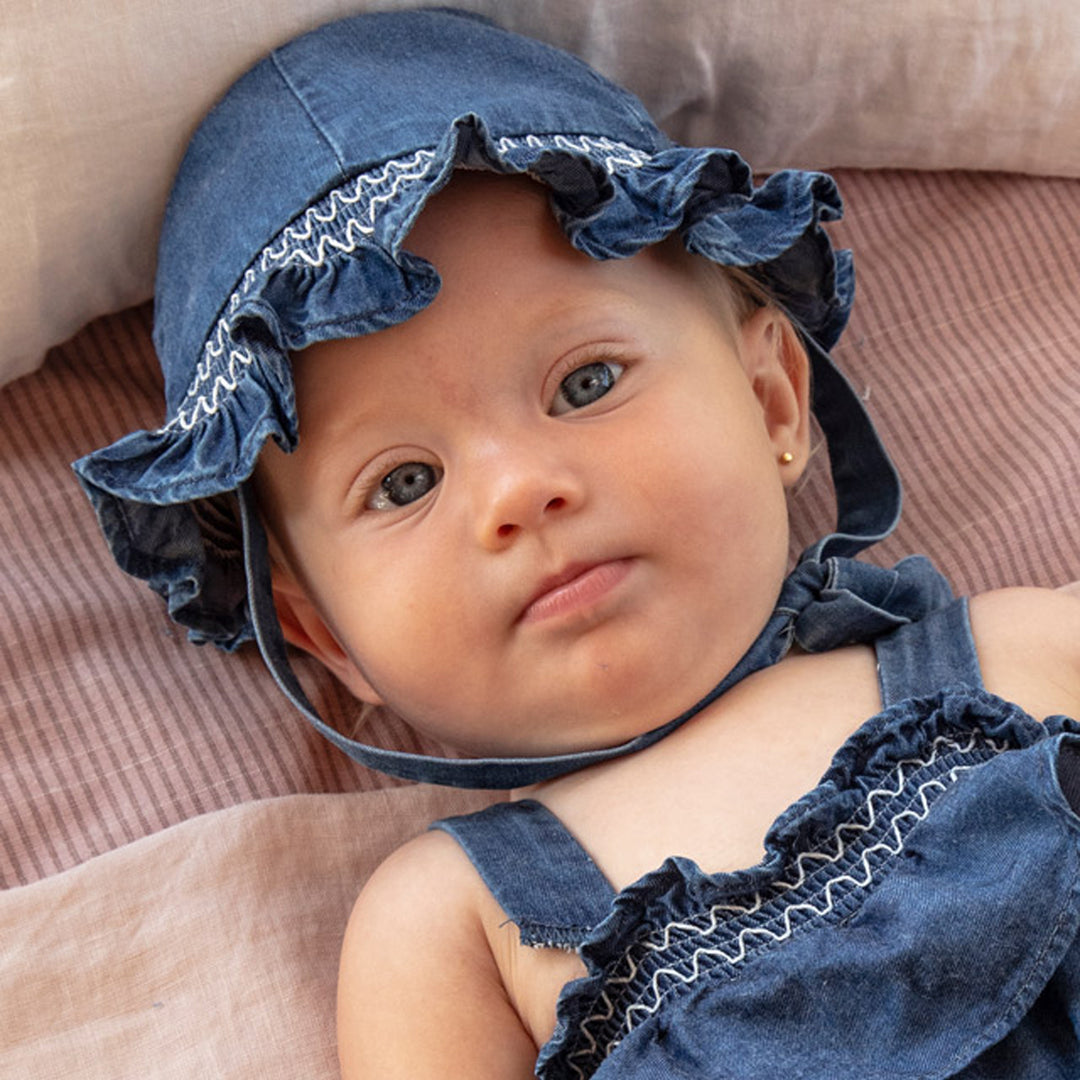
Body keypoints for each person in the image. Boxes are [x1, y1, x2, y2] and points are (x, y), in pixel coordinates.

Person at [73, 9, 1080, 1078]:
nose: (519, 491)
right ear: (324, 638)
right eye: (404, 482)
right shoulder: (451, 928)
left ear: (771, 402)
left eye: (586, 382)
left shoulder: (1029, 649)